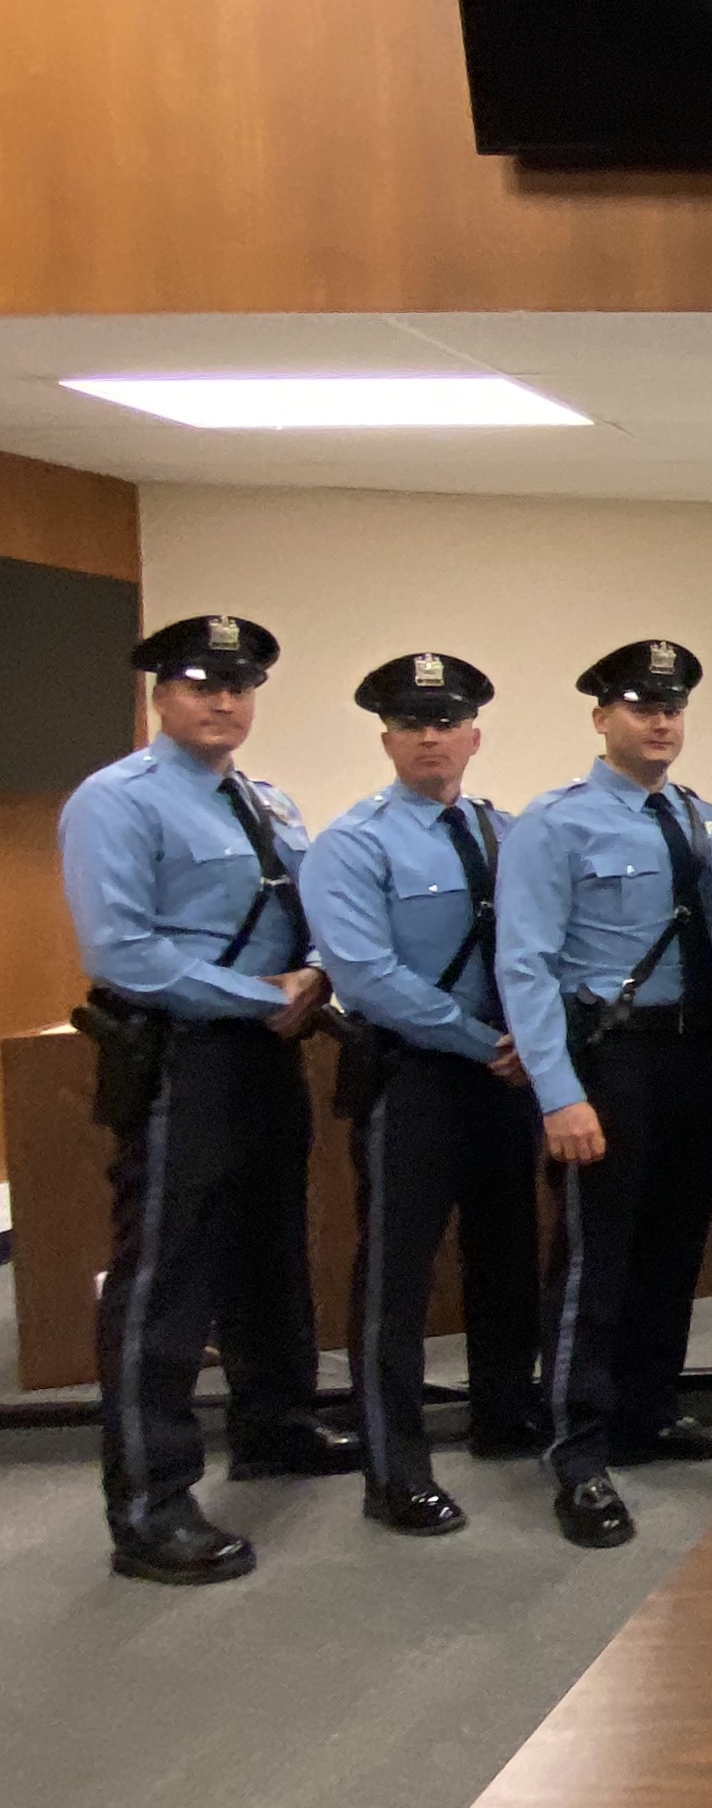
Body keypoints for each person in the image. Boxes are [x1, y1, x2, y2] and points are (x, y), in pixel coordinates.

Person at [61, 614, 354, 1585]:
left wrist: (315, 973)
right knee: (167, 1277)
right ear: (160, 694)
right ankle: (150, 1506)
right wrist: (264, 999)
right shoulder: (117, 801)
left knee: (270, 1252)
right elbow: (122, 950)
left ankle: (275, 1426)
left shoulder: (265, 802)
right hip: (181, 1057)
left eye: (238, 685)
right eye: (200, 684)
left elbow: (308, 915)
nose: (223, 701)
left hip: (267, 1054)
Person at [496, 640, 712, 1550]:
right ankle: (577, 1452)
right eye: (642, 706)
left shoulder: (702, 819)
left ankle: (649, 1412)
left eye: (673, 707)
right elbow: (524, 965)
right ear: (602, 717)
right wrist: (557, 1093)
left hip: (694, 1060)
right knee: (593, 1266)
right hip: (609, 1062)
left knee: (672, 1252)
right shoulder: (554, 824)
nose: (661, 722)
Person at [300, 652, 538, 1537]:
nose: (430, 737)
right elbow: (365, 975)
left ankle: (506, 1415)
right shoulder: (353, 843)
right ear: (387, 739)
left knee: (507, 1254)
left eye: (447, 722)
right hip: (416, 1077)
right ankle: (392, 1467)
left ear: (474, 736)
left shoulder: (507, 832)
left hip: (508, 1076)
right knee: (396, 1277)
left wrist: (534, 1045)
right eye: (411, 723)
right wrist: (485, 1043)